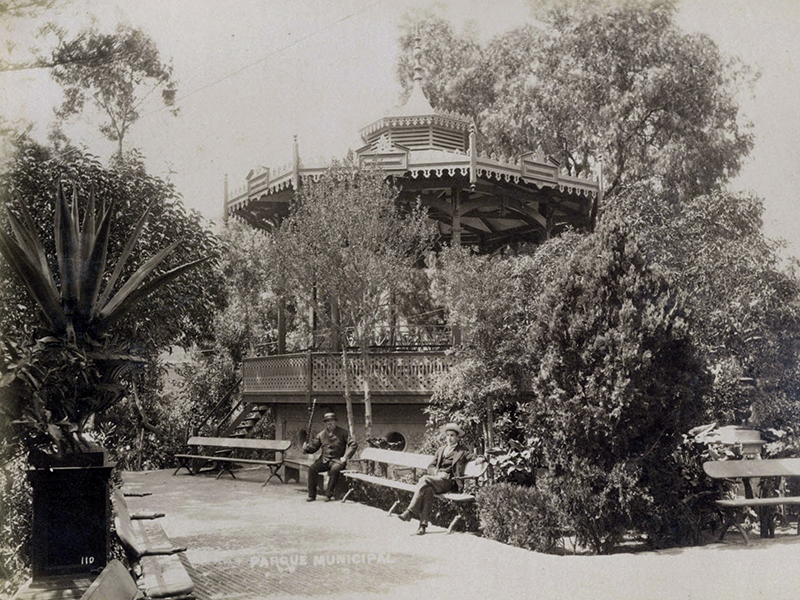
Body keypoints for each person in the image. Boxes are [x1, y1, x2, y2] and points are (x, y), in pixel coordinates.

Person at [398, 423, 485, 535]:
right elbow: (430, 466)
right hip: (438, 480)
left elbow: (475, 456)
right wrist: (437, 473)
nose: (449, 438)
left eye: (452, 435)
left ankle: (410, 512)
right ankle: (422, 526)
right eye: (448, 435)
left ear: (458, 437)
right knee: (427, 489)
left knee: (424, 479)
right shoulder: (441, 450)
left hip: (450, 482)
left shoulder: (461, 451)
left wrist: (480, 458)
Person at [302, 411, 357, 502]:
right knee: (312, 468)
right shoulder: (321, 434)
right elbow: (314, 448)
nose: (330, 423)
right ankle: (311, 495)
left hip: (337, 461)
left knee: (335, 469)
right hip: (324, 460)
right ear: (325, 423)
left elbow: (353, 444)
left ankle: (328, 494)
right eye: (327, 421)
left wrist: (345, 457)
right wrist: (306, 448)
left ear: (335, 421)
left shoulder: (343, 432)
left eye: (331, 420)